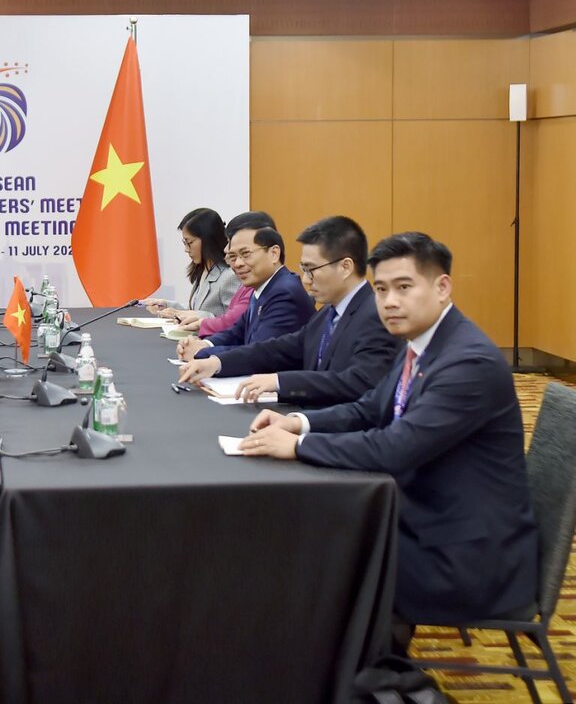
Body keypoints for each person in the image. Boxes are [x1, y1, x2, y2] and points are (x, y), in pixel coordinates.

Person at [241, 232, 538, 627]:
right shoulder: (422, 341)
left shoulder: (469, 362)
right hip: (426, 520)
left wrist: (298, 446)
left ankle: (363, 662)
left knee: (316, 560)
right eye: (381, 289)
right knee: (314, 534)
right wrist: (298, 421)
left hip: (468, 560)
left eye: (404, 287)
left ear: (442, 287)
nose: (389, 301)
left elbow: (395, 448)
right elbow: (370, 409)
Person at [180, 216, 399, 405]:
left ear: (345, 267)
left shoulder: (376, 316)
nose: (306, 280)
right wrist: (217, 363)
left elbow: (356, 383)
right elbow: (279, 348)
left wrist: (279, 382)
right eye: (304, 269)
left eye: (312, 270)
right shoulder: (328, 313)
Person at [177, 222, 315, 361]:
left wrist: (202, 352)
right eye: (232, 257)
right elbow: (236, 332)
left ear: (274, 254)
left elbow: (260, 353)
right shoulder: (263, 287)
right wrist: (205, 344)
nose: (238, 264)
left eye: (246, 254)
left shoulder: (284, 292)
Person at [140, 207, 240, 331]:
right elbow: (195, 309)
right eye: (185, 243)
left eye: (190, 243)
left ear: (208, 239)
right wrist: (167, 306)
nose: (186, 249)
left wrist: (201, 317)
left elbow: (235, 322)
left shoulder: (229, 277)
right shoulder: (203, 270)